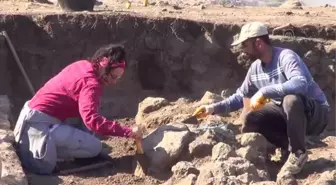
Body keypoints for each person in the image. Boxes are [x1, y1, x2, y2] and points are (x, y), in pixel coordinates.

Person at [193, 22, 331, 180]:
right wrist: (211, 108)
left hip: (316, 114)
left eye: (245, 45)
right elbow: (239, 97)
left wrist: (265, 91)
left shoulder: (286, 57)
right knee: (251, 118)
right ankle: (286, 146)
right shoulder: (255, 69)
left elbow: (300, 84)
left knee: (290, 99)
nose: (242, 50)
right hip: (288, 114)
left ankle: (298, 153)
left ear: (258, 43)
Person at [13, 43, 143, 175]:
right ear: (104, 67)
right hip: (37, 124)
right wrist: (127, 132)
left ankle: (59, 141)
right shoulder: (91, 84)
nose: (114, 82)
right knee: (94, 147)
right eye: (113, 76)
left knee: (90, 123)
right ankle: (56, 152)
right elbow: (92, 120)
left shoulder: (83, 65)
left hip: (33, 114)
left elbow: (87, 113)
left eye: (118, 78)